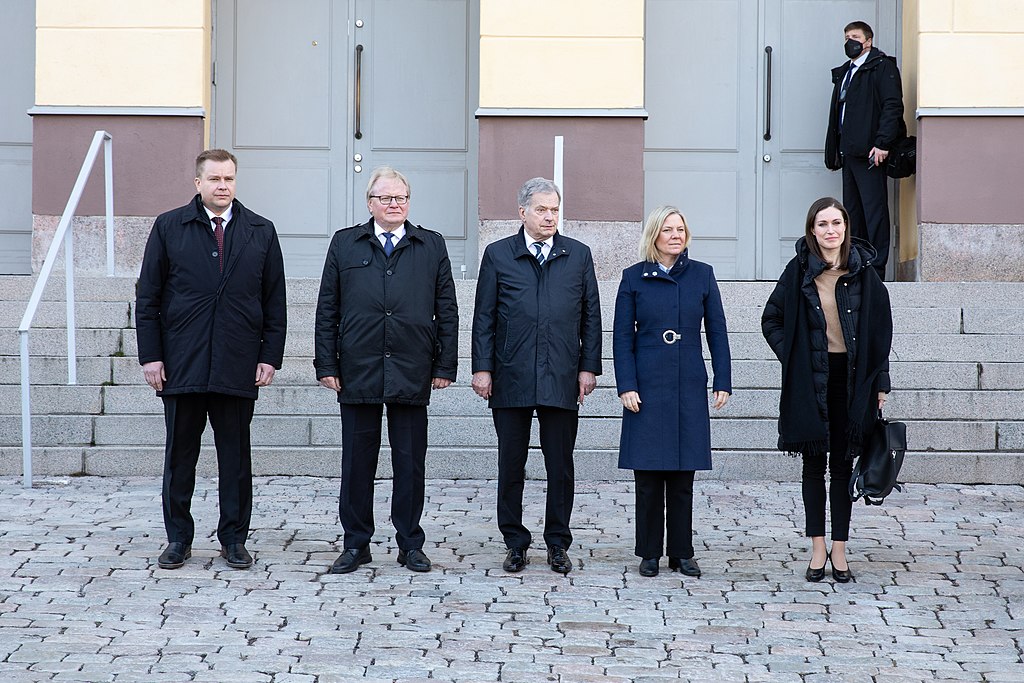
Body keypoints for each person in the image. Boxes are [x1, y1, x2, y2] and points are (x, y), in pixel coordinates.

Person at [136, 149, 287, 571]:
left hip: (237, 362)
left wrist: (269, 355)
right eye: (215, 179)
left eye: (230, 179)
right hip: (182, 362)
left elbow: (275, 300)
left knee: (236, 459)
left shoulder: (261, 230)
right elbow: (148, 298)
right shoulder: (169, 227)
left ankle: (234, 539)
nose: (223, 186)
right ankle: (178, 538)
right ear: (197, 183)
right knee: (179, 457)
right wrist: (151, 356)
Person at [314, 166, 458, 574]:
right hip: (357, 367)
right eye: (386, 198)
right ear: (370, 203)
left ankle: (410, 542)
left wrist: (445, 363)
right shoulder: (345, 244)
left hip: (413, 366)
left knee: (411, 462)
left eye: (401, 198)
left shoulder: (430, 245)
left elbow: (446, 308)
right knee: (357, 461)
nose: (394, 204)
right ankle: (356, 543)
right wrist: (326, 362)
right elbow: (328, 308)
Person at [471, 177, 602, 575]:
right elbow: (484, 318)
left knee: (560, 464)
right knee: (511, 464)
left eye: (555, 209)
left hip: (561, 375)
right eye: (542, 209)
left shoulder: (577, 255)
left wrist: (588, 367)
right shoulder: (498, 255)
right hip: (510, 375)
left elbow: (591, 317)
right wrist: (482, 368)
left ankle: (557, 542)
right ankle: (515, 541)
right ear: (522, 212)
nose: (549, 216)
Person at [761, 197, 893, 583]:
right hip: (810, 379)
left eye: (836, 223)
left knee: (842, 466)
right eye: (823, 224)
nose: (830, 230)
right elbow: (772, 319)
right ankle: (817, 547)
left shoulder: (865, 272)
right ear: (812, 230)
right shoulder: (799, 270)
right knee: (813, 465)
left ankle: (840, 548)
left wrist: (880, 381)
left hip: (851, 381)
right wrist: (795, 357)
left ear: (845, 227)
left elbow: (879, 333)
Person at [613, 206, 731, 579]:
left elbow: (717, 330)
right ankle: (649, 552)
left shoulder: (702, 276)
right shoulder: (633, 278)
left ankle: (681, 552)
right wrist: (626, 385)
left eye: (681, 229)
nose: (676, 235)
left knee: (683, 476)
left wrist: (722, 378)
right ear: (654, 235)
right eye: (668, 230)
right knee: (648, 476)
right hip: (647, 385)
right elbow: (620, 338)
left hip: (687, 384)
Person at [824, 20, 905, 279]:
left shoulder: (882, 67)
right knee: (853, 213)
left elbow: (892, 106)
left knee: (875, 212)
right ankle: (857, 265)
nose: (850, 41)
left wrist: (882, 143)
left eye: (855, 36)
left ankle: (877, 269)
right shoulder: (848, 70)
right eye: (847, 36)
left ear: (868, 40)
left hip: (871, 153)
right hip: (849, 153)